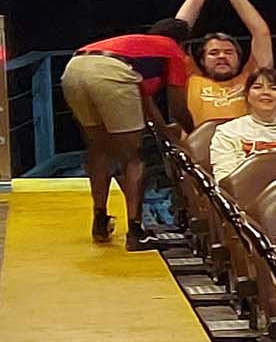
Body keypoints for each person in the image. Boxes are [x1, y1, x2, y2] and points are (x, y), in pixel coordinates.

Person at [61, 18, 191, 249]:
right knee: (133, 157)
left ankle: (100, 221)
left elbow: (144, 100)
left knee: (98, 149)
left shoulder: (138, 47)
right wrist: (193, 133)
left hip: (74, 67)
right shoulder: (172, 50)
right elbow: (177, 105)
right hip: (111, 72)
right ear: (183, 43)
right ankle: (136, 232)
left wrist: (163, 131)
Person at [171, 0, 275, 129]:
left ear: (239, 59)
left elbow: (261, 34)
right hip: (202, 145)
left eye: (228, 52)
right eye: (213, 53)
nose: (221, 56)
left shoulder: (252, 79)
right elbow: (175, 34)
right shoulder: (191, 79)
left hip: (247, 144)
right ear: (202, 60)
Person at [208, 67, 276, 183]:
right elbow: (224, 180)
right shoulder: (227, 132)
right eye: (257, 87)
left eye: (274, 88)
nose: (266, 92)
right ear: (247, 95)